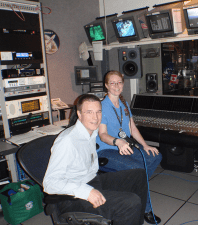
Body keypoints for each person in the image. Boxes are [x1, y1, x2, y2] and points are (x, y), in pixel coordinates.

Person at [43, 94, 148, 225]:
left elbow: (107, 134)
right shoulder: (67, 141)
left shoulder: (91, 130)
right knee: (130, 203)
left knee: (139, 175)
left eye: (98, 112)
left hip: (91, 180)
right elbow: (50, 183)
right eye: (89, 112)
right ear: (79, 114)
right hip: (72, 197)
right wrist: (87, 192)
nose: (95, 117)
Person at [96, 70, 163, 224]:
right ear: (106, 85)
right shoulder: (102, 106)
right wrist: (117, 142)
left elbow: (132, 128)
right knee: (137, 170)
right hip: (106, 150)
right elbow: (102, 135)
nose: (116, 85)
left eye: (119, 82)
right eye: (112, 83)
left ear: (123, 84)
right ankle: (146, 209)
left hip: (125, 146)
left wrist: (145, 145)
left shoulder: (124, 103)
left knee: (155, 156)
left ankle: (132, 184)